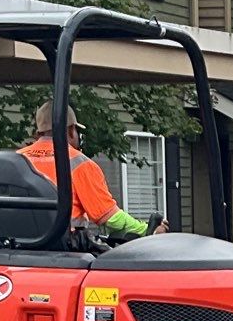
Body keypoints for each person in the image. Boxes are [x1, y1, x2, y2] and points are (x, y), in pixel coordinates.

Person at [18, 103, 167, 241]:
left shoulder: (18, 158)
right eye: (76, 130)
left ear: (38, 133)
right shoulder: (79, 163)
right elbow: (108, 217)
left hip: (18, 246)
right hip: (64, 250)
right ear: (70, 131)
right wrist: (147, 230)